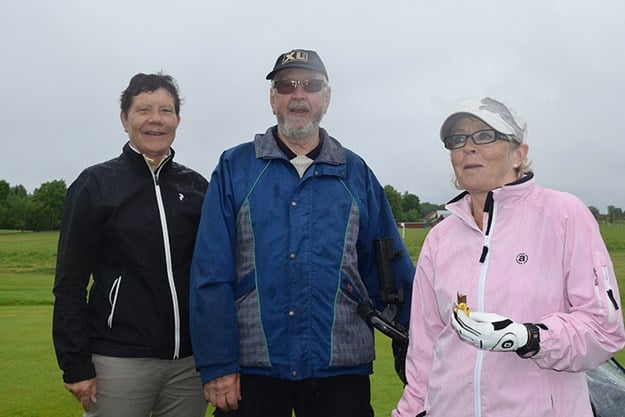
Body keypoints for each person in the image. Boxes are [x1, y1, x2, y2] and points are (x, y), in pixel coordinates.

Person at [189, 49, 415, 417]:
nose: (298, 94)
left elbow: (390, 269)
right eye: (286, 85)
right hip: (253, 368)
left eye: (310, 85)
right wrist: (218, 364)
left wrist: (413, 343)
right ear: (272, 98)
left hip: (340, 366)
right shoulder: (235, 167)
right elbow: (210, 273)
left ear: (325, 98)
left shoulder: (355, 172)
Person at [393, 97, 625, 417]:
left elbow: (604, 330)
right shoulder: (439, 238)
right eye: (457, 139)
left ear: (519, 154)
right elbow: (424, 348)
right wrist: (410, 411)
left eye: (485, 135)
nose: (467, 148)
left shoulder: (565, 215)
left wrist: (527, 337)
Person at [52, 72, 208, 417]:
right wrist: (75, 364)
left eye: (166, 110)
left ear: (177, 120)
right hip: (118, 361)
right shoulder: (95, 184)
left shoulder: (197, 187)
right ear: (125, 119)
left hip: (189, 365)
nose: (155, 119)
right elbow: (69, 283)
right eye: (143, 109)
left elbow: (213, 274)